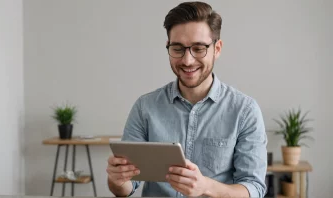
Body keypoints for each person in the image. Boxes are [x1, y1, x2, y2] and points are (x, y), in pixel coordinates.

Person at [106, 1, 267, 197]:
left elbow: (254, 188)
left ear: (217, 48)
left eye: (199, 48)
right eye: (178, 48)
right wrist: (117, 181)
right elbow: (127, 187)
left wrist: (206, 187)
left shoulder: (245, 110)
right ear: (168, 47)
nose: (187, 60)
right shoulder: (144, 107)